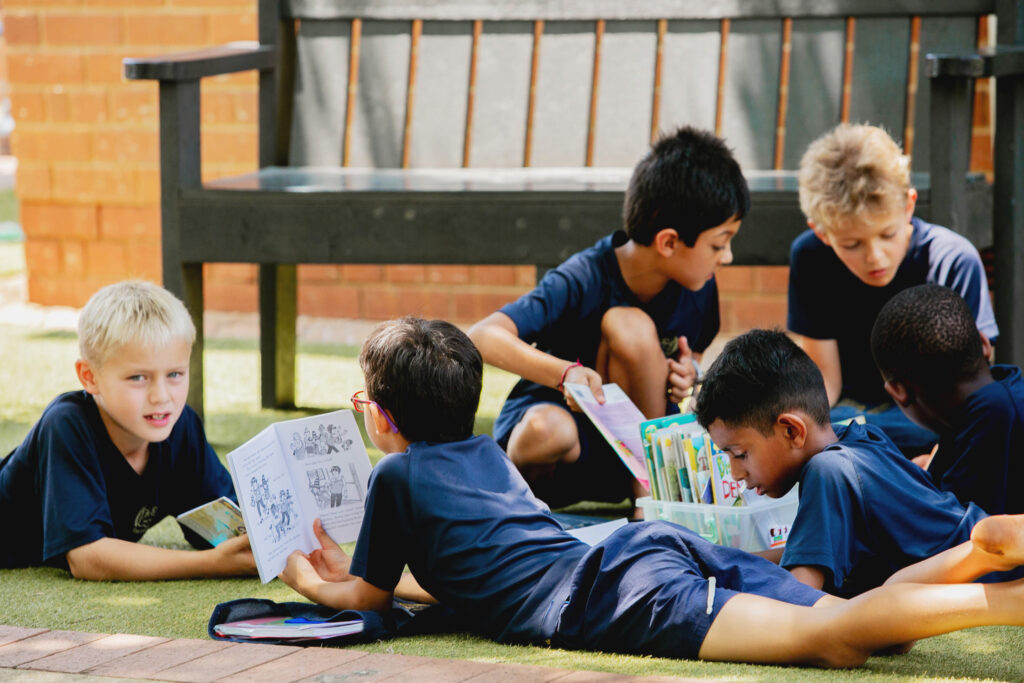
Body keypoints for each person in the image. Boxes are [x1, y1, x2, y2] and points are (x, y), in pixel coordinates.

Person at [279, 316, 1024, 668]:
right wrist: (367, 572)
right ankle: (976, 553)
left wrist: (306, 574)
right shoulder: (487, 454)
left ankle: (1011, 596)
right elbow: (472, 573)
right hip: (638, 552)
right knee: (854, 626)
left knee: (833, 639)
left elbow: (367, 600)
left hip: (622, 592)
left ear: (376, 415)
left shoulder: (396, 474)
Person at [468, 126, 748, 507]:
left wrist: (689, 375)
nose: (727, 256)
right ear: (668, 242)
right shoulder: (584, 276)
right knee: (551, 423)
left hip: (632, 457)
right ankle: (647, 505)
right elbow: (483, 336)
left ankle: (651, 502)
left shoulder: (699, 287)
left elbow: (690, 361)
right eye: (719, 243)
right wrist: (564, 374)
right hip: (559, 453)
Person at [692, 329, 1018, 598]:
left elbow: (797, 595)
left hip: (985, 575)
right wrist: (720, 561)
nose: (736, 473)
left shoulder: (829, 471)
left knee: (887, 596)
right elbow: (805, 551)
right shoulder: (856, 438)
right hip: (988, 560)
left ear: (792, 430)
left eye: (739, 454)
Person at [0, 280, 256, 579]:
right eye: (138, 377)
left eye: (174, 374)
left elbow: (222, 525)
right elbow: (88, 558)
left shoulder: (179, 424)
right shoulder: (67, 424)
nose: (161, 396)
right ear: (90, 377)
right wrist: (214, 564)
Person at [787, 123, 997, 458]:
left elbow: (973, 394)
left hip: (933, 423)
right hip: (850, 419)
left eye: (887, 234)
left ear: (908, 206)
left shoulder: (951, 261)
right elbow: (825, 381)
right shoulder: (811, 257)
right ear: (822, 233)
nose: (875, 257)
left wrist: (943, 453)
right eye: (852, 243)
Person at [870, 284, 1022, 515]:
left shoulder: (993, 419)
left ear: (898, 391)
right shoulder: (1004, 392)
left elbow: (950, 532)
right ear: (984, 344)